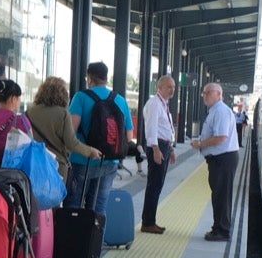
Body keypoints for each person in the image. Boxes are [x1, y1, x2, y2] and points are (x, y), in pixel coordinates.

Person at [65, 62, 134, 222]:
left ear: (89, 78)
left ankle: (73, 244)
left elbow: (71, 131)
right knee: (99, 208)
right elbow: (129, 136)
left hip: (82, 160)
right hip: (110, 161)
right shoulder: (120, 100)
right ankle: (94, 246)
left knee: (73, 205)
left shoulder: (81, 97)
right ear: (106, 77)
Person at [26, 76, 101, 182]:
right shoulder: (63, 114)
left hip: (35, 163)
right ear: (63, 94)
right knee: (56, 196)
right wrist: (90, 151)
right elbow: (72, 143)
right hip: (56, 164)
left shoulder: (30, 112)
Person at [190, 82, 239, 242]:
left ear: (219, 94)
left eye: (208, 92)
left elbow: (221, 137)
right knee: (218, 195)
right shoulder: (215, 111)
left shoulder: (221, 111)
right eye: (204, 92)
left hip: (223, 159)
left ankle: (222, 231)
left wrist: (200, 144)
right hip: (220, 159)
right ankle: (218, 227)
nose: (204, 95)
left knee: (222, 196)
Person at [139, 75, 178, 235]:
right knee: (154, 185)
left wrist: (171, 148)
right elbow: (152, 128)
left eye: (174, 87)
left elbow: (166, 128)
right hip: (157, 146)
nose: (172, 90)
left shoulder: (164, 104)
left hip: (164, 146)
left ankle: (151, 220)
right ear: (159, 87)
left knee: (158, 184)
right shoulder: (154, 104)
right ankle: (148, 222)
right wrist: (155, 149)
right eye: (169, 87)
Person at [0, 79, 32, 167]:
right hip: (12, 174)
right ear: (14, 99)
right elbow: (30, 148)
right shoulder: (21, 120)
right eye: (19, 98)